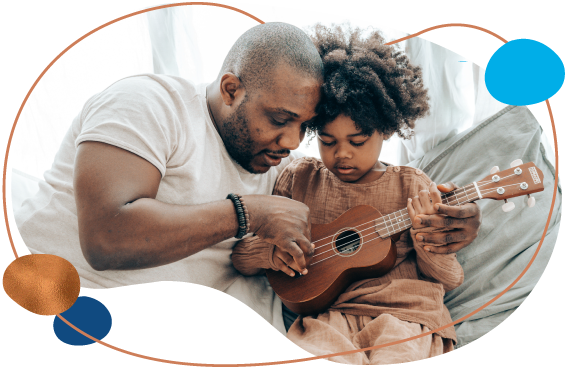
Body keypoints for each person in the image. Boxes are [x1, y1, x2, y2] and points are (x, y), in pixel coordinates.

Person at [14, 22, 479, 334]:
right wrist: (247, 212)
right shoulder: (151, 103)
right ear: (231, 89)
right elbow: (106, 237)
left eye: (303, 126)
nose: (291, 141)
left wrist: (454, 221)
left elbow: (339, 227)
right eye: (279, 119)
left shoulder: (279, 169)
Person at [231, 24, 464, 363]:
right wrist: (269, 254)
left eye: (357, 142)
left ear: (385, 128)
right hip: (328, 318)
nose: (342, 154)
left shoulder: (413, 185)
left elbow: (451, 277)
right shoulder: (300, 179)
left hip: (408, 317)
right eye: (327, 141)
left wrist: (426, 236)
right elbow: (241, 256)